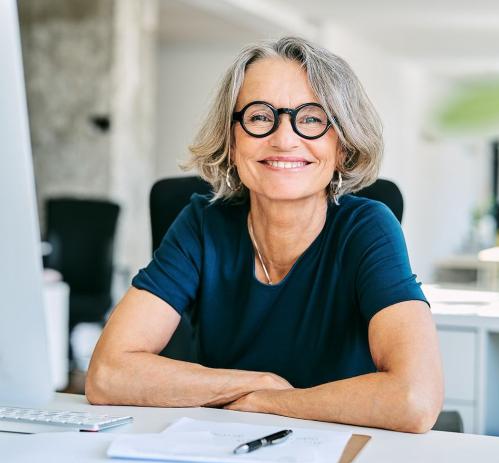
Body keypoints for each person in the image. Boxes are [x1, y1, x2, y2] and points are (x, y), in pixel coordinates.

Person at [86, 37, 443, 433]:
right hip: (221, 446)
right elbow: (107, 373)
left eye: (311, 118)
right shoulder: (202, 223)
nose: (284, 138)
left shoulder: (367, 228)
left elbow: (416, 399)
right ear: (232, 141)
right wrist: (256, 382)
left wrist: (275, 403)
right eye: (259, 117)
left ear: (342, 145)